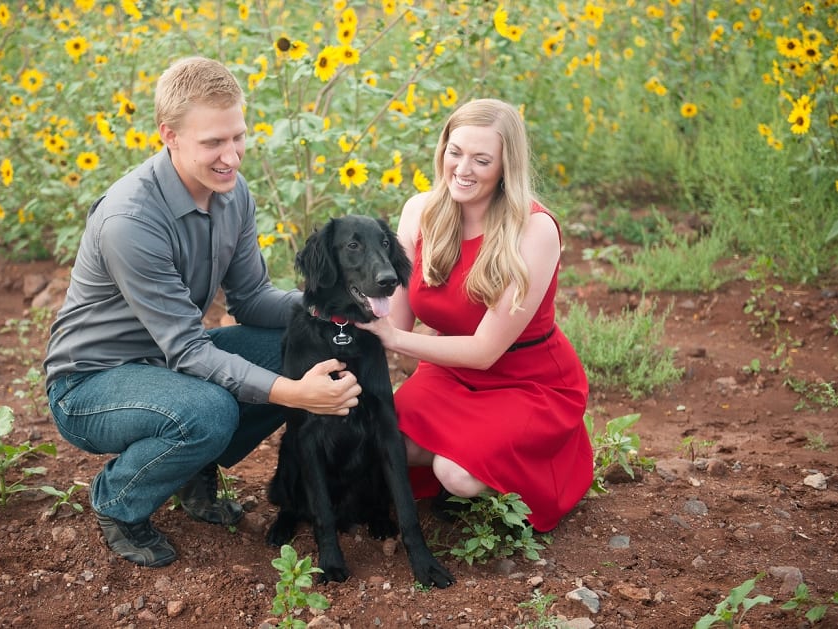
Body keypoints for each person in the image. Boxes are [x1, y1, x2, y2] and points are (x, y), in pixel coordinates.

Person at [43, 56, 361, 568]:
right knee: (210, 410)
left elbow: (252, 299)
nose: (231, 156)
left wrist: (334, 308)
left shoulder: (231, 194)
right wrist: (297, 394)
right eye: (213, 142)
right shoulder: (130, 220)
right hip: (90, 385)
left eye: (237, 136)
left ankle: (190, 467)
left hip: (167, 366)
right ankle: (119, 503)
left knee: (303, 344)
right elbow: (189, 349)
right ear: (168, 135)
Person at [357, 98, 593, 533]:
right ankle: (482, 457)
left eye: (481, 159)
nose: (462, 169)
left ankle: (544, 459)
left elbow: (484, 351)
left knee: (456, 473)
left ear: (506, 166)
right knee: (380, 440)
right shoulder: (419, 212)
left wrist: (391, 338)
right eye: (455, 151)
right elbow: (397, 322)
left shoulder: (534, 230)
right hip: (449, 372)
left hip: (528, 380)